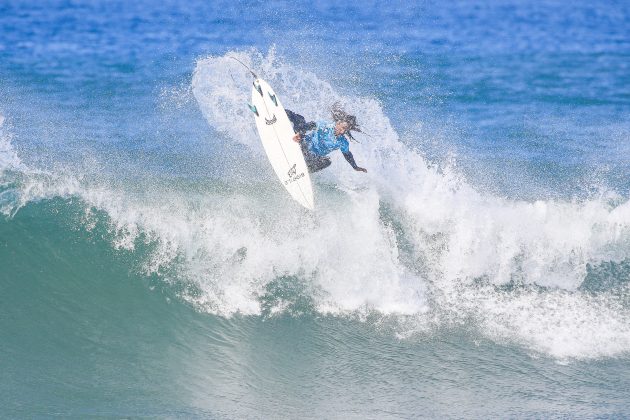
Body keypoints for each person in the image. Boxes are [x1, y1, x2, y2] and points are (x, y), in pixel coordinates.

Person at [286, 104, 368, 174]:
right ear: (338, 123)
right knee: (300, 120)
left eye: (346, 130)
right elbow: (311, 125)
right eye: (343, 128)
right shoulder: (325, 126)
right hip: (302, 144)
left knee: (327, 162)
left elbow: (347, 155)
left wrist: (355, 167)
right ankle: (279, 112)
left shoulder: (343, 142)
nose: (343, 131)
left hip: (311, 157)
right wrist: (300, 133)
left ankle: (303, 172)